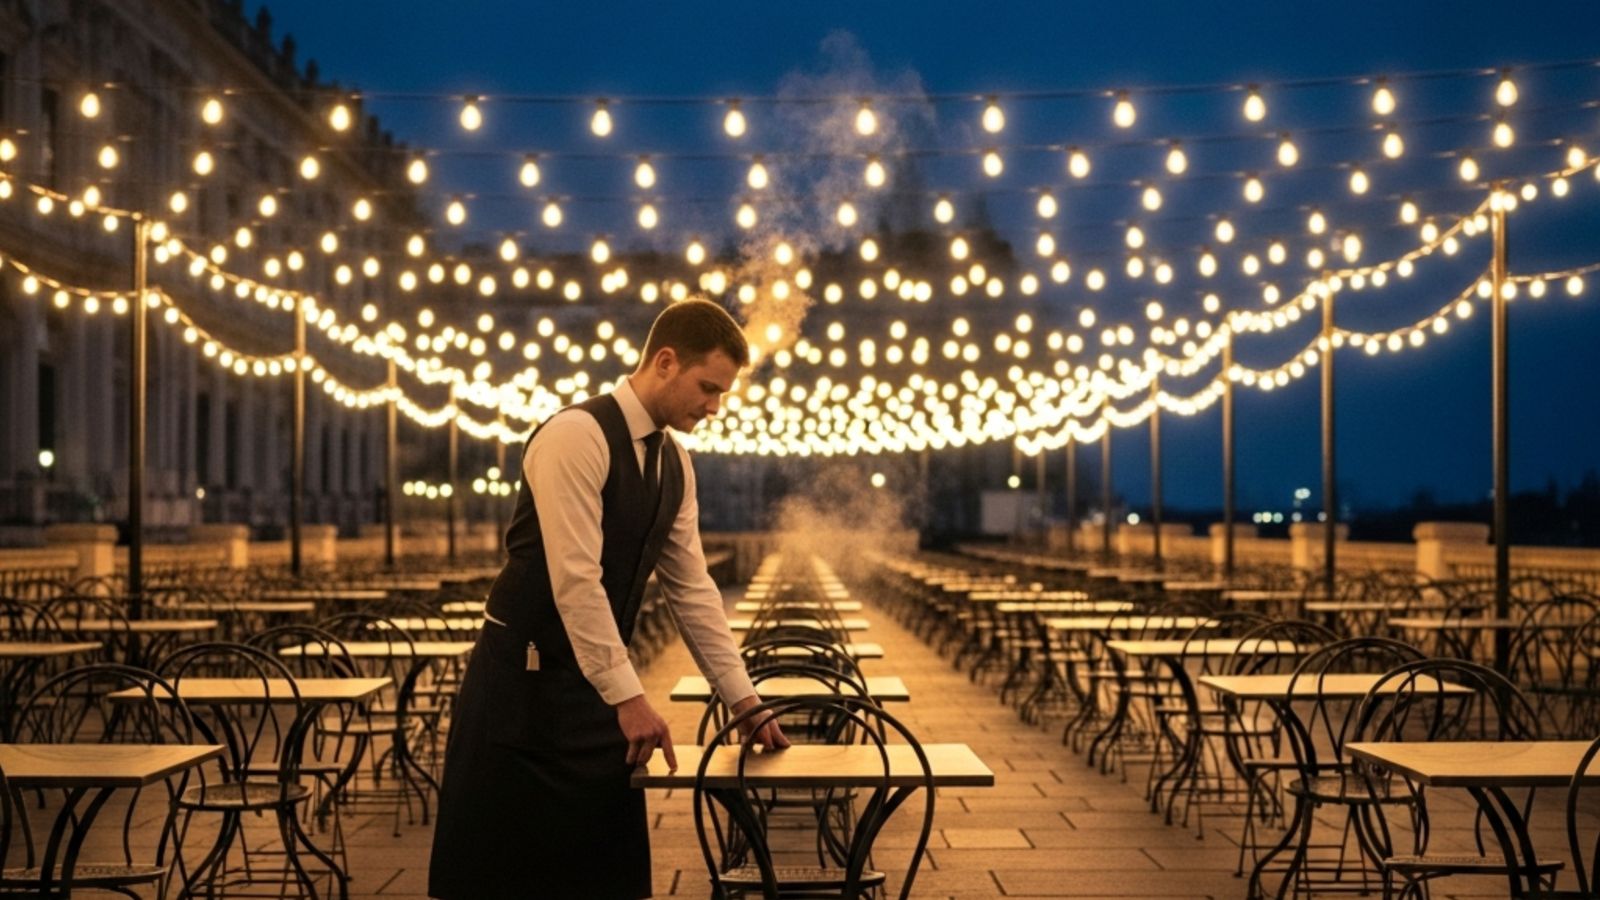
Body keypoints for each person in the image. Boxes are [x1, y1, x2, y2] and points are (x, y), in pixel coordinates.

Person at [429, 299, 789, 900]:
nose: (714, 406)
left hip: (598, 684)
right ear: (665, 361)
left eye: (722, 393)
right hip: (523, 686)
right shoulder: (575, 435)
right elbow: (575, 578)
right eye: (707, 388)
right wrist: (628, 698)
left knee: (606, 871)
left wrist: (744, 699)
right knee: (502, 877)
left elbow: (693, 588)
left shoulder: (675, 461)